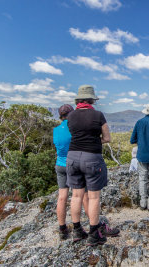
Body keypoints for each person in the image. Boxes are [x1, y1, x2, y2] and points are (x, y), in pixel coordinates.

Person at [66, 85, 119, 246]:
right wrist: (96, 141)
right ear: (92, 100)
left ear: (78, 99)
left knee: (76, 195)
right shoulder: (98, 115)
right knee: (93, 197)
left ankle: (76, 230)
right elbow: (107, 138)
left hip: (72, 156)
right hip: (92, 158)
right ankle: (94, 233)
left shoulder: (71, 116)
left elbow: (74, 135)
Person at [53, 104, 89, 240]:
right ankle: (79, 227)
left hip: (60, 165)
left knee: (62, 197)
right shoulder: (75, 128)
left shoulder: (55, 130)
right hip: (74, 164)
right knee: (81, 195)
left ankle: (62, 229)